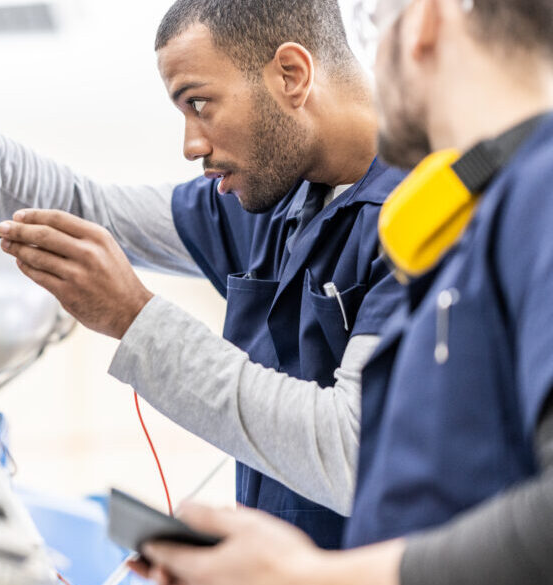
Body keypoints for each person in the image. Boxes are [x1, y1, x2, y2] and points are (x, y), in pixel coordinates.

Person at [0, 0, 406, 549]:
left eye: (198, 103)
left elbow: (349, 452)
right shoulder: (279, 202)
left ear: (291, 75)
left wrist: (135, 318)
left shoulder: (425, 218)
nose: (190, 144)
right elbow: (89, 209)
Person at [132, 0, 553, 583]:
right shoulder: (483, 211)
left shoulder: (541, 195)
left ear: (429, 17)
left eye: (375, 23)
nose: (368, 62)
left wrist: (306, 576)